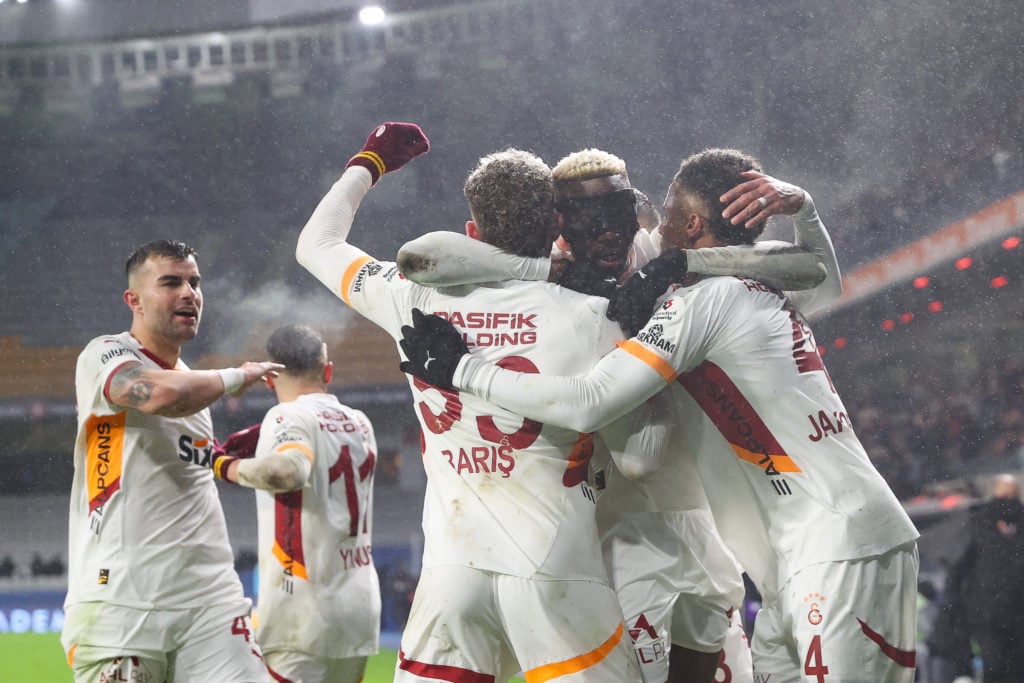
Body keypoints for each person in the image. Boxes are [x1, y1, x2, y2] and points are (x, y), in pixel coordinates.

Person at [399, 148, 921, 682]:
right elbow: (419, 256)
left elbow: (595, 404)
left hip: (767, 531)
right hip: (659, 538)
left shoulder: (678, 278)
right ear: (561, 224)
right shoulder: (585, 273)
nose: (614, 231)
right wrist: (545, 268)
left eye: (631, 214)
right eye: (588, 219)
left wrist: (462, 370)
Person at [296, 122, 659, 681]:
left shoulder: (411, 296)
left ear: (472, 229)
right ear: (557, 225)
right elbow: (642, 457)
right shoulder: (596, 316)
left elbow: (316, 244)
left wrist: (368, 163)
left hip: (453, 568)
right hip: (556, 564)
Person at [61, 239, 282, 682]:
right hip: (123, 602)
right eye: (171, 282)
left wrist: (223, 461)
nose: (189, 292)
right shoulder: (107, 354)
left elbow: (182, 456)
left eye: (194, 282)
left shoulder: (193, 386)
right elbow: (158, 395)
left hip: (209, 597)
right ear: (134, 300)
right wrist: (237, 376)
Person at [213, 323, 381, 683]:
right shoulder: (361, 423)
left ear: (269, 378)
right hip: (358, 607)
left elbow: (288, 472)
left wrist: (223, 465)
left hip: (303, 613)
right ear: (328, 370)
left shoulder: (285, 417)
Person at [943, 473, 1024, 682]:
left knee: (1016, 670)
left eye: (1011, 495)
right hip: (987, 614)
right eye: (1002, 495)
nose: (1007, 501)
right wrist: (952, 605)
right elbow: (957, 568)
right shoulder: (978, 526)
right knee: (995, 667)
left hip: (1019, 613)